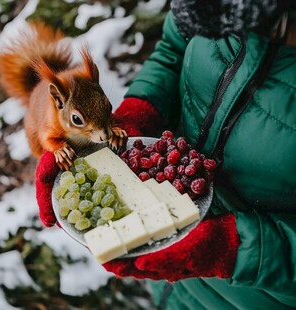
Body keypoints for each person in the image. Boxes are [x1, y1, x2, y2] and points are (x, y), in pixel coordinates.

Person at [35, 1, 296, 309]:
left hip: (253, 297)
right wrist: (140, 111)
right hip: (174, 290)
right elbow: (173, 49)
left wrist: (237, 251)